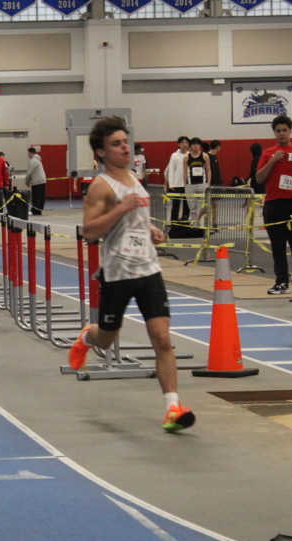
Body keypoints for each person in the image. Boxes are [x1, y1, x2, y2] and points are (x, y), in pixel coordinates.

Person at [68, 116, 195, 433]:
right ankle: (87, 337)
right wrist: (121, 208)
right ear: (101, 152)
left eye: (125, 142)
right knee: (106, 338)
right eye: (116, 144)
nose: (124, 148)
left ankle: (172, 408)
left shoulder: (135, 177)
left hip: (149, 268)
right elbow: (89, 232)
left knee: (162, 339)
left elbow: (135, 217)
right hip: (118, 272)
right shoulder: (101, 186)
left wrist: (149, 228)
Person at [255, 116, 292, 295]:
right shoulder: (268, 153)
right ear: (274, 133)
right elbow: (259, 178)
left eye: (284, 130)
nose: (281, 134)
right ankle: (281, 281)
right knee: (278, 246)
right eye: (278, 131)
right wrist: (273, 160)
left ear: (290, 131)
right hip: (273, 204)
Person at [182, 138, 210, 225]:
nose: (196, 146)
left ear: (200, 145)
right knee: (193, 208)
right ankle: (194, 225)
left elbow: (208, 170)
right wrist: (185, 185)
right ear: (190, 146)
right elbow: (184, 171)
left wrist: (208, 183)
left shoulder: (205, 156)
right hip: (190, 185)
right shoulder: (186, 157)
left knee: (204, 206)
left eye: (198, 144)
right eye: (194, 144)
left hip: (203, 184)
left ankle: (203, 224)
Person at [163, 136, 190, 225]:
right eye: (182, 143)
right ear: (179, 144)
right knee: (175, 205)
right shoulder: (174, 155)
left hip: (187, 185)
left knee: (187, 205)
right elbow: (171, 170)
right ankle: (174, 223)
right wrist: (171, 184)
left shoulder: (190, 155)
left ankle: (185, 223)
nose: (184, 144)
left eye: (186, 143)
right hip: (177, 184)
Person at [26, 147, 47, 215]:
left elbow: (29, 172)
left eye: (28, 153)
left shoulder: (33, 160)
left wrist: (27, 181)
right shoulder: (38, 160)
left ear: (31, 153)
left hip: (37, 181)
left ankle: (34, 210)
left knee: (36, 197)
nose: (28, 155)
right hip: (42, 180)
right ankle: (39, 210)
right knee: (40, 197)